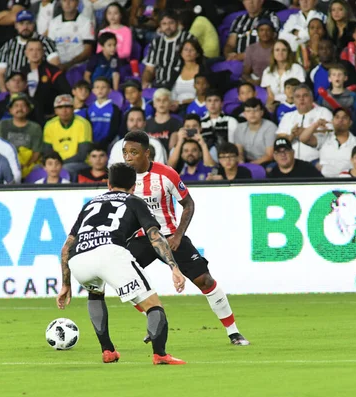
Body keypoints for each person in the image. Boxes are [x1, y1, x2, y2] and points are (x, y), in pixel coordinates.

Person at [122, 130, 249, 346]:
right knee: (122, 279)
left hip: (170, 235)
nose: (128, 157)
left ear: (147, 153)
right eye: (125, 152)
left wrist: (179, 235)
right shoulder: (123, 177)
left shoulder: (166, 174)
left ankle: (233, 332)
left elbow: (188, 204)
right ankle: (155, 320)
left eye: (133, 152)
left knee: (205, 280)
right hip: (141, 238)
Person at [57, 162, 187, 365]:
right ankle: (160, 354)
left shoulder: (90, 204)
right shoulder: (134, 201)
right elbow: (155, 236)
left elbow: (66, 247)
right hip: (110, 252)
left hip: (78, 258)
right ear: (134, 186)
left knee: (95, 293)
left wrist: (65, 284)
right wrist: (174, 267)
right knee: (153, 305)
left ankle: (108, 350)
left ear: (108, 184)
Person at [0, 10, 59, 92]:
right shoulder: (8, 45)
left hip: (41, 88)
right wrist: (5, 94)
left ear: (34, 24)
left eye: (28, 23)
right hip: (14, 90)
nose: (25, 27)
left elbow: (55, 65)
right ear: (16, 25)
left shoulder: (45, 42)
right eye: (21, 24)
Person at [297, 108, 356, 177]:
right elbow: (303, 138)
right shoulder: (325, 138)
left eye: (344, 118)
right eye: (337, 117)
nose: (340, 120)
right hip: (325, 182)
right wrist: (316, 124)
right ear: (332, 121)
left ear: (350, 123)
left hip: (348, 182)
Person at [276, 84, 333, 163]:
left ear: (311, 98)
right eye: (298, 97)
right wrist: (292, 135)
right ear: (294, 100)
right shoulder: (287, 116)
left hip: (316, 159)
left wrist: (304, 131)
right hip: (291, 162)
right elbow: (280, 140)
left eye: (305, 95)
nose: (301, 99)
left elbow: (330, 134)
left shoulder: (323, 112)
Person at [22, 38, 71, 125]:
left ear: (43, 52)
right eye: (31, 50)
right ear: (26, 53)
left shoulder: (53, 71)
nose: (34, 53)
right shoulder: (21, 72)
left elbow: (65, 92)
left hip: (49, 118)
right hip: (26, 119)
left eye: (38, 49)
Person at [43, 94, 93, 174]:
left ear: (73, 108)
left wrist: (60, 164)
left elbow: (82, 154)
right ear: (55, 111)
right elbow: (47, 151)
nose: (64, 110)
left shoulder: (83, 124)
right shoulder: (49, 125)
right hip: (56, 163)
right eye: (60, 107)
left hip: (79, 163)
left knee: (66, 168)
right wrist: (56, 164)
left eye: (67, 107)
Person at [142, 10, 193, 89]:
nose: (168, 27)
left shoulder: (187, 38)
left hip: (182, 85)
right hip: (159, 86)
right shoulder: (156, 43)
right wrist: (145, 82)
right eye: (164, 24)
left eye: (171, 23)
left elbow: (195, 65)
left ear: (177, 23)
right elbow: (149, 70)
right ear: (160, 26)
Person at [0, 93, 43, 177]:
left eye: (23, 106)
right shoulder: (3, 125)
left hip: (28, 165)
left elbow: (37, 152)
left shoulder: (35, 128)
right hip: (7, 163)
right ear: (10, 110)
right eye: (16, 106)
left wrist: (25, 165)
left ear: (28, 109)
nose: (19, 109)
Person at [47, 0, 95, 70]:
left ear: (77, 3)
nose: (67, 3)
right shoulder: (54, 23)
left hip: (79, 67)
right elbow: (50, 47)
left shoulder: (86, 23)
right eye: (64, 1)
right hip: (57, 67)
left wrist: (69, 64)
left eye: (71, 1)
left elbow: (87, 50)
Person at [261, 39, 306, 112]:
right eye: (277, 50)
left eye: (284, 50)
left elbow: (301, 91)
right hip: (276, 105)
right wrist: (268, 107)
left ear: (288, 53)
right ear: (273, 53)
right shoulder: (267, 71)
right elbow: (270, 96)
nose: (280, 53)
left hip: (294, 103)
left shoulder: (296, 68)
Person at [233, 98, 277, 165]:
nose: (252, 114)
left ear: (261, 113)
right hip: (247, 162)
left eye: (255, 110)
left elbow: (269, 156)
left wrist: (250, 166)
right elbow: (239, 152)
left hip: (267, 162)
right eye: (248, 111)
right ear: (244, 114)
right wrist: (241, 162)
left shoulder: (270, 127)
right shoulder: (240, 128)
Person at [170, 39, 207, 113]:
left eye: (192, 50)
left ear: (197, 54)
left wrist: (193, 101)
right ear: (181, 53)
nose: (188, 52)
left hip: (196, 105)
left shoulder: (203, 70)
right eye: (186, 49)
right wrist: (173, 103)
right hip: (176, 106)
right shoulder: (176, 70)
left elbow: (207, 92)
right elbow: (172, 92)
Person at [88, 77, 122, 148]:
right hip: (92, 144)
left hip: (109, 145)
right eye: (97, 87)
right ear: (93, 90)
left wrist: (106, 142)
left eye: (103, 87)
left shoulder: (114, 109)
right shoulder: (89, 108)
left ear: (109, 90)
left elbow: (115, 129)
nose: (100, 90)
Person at [242, 18, 276, 86]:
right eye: (261, 30)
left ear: (273, 33)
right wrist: (251, 81)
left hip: (274, 81)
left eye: (268, 30)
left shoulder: (278, 47)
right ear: (257, 33)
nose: (265, 33)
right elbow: (245, 73)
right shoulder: (251, 48)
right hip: (255, 81)